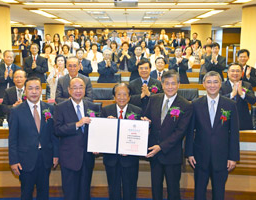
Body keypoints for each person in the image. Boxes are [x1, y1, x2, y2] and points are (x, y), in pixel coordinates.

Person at [185, 71, 240, 200]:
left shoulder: (230, 105)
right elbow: (190, 131)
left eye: (215, 82)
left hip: (222, 157)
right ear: (203, 84)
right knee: (199, 191)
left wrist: (233, 157)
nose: (212, 85)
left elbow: (234, 133)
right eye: (209, 82)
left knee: (219, 192)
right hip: (199, 156)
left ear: (220, 84)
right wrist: (190, 153)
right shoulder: (195, 104)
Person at [143, 70, 193, 200]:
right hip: (154, 154)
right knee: (156, 188)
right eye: (167, 84)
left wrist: (161, 147)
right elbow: (147, 120)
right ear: (162, 84)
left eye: (173, 84)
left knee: (173, 190)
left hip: (172, 154)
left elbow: (180, 132)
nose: (170, 87)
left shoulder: (186, 105)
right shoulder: (154, 99)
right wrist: (145, 123)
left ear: (179, 85)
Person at [8, 77, 59, 200]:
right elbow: (13, 138)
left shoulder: (50, 108)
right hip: (25, 160)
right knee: (26, 193)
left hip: (45, 158)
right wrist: (13, 161)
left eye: (37, 88)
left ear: (41, 90)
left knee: (43, 192)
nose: (34, 92)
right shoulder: (16, 111)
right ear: (25, 91)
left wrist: (56, 154)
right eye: (30, 88)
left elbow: (53, 135)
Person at [54, 77, 99, 200]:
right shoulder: (60, 107)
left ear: (85, 89)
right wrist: (76, 124)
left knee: (85, 194)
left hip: (87, 158)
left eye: (81, 87)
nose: (78, 90)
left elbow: (97, 130)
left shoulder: (92, 107)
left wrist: (97, 145)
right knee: (70, 194)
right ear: (69, 90)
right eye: (74, 87)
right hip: (69, 158)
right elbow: (57, 130)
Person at [101, 83, 142, 200]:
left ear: (129, 97)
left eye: (125, 94)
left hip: (130, 160)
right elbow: (101, 135)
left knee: (130, 190)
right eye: (118, 94)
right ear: (114, 96)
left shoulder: (137, 111)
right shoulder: (105, 111)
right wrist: (107, 125)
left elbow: (140, 137)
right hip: (111, 159)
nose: (122, 97)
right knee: (113, 190)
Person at [220, 63, 256, 130]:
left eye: (238, 71)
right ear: (228, 72)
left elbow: (253, 101)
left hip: (243, 121)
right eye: (232, 71)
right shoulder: (221, 86)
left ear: (242, 72)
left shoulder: (247, 85)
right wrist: (232, 95)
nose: (235, 73)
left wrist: (242, 94)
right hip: (225, 120)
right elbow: (218, 101)